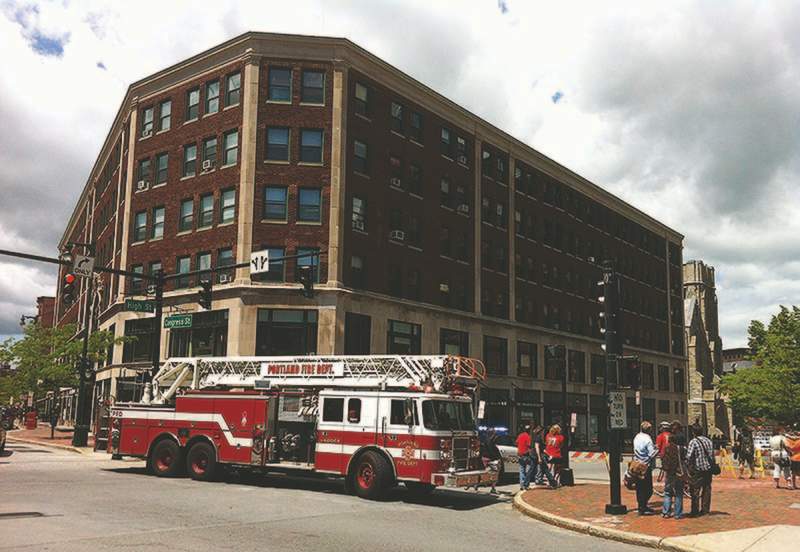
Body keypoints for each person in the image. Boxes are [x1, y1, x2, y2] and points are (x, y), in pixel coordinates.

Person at [686, 423, 715, 517]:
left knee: (695, 490)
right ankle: (705, 510)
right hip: (708, 469)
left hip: (697, 469)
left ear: (693, 432)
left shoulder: (693, 442)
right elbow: (712, 455)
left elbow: (688, 456)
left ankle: (695, 511)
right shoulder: (709, 441)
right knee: (707, 490)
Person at [633, 421, 659, 515]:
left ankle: (641, 506)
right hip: (645, 465)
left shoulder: (637, 437)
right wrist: (658, 449)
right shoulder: (648, 439)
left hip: (637, 464)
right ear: (648, 430)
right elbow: (651, 454)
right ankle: (643, 506)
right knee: (648, 489)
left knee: (639, 487)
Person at [661, 433, 687, 519]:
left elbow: (663, 459)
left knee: (668, 492)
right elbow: (685, 459)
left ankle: (666, 512)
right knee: (679, 493)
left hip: (669, 473)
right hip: (678, 472)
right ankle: (677, 514)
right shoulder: (681, 449)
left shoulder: (666, 448)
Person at [532, 424, 558, 488]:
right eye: (542, 430)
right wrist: (539, 457)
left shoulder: (537, 436)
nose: (543, 432)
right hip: (538, 455)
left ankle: (540, 479)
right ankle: (551, 482)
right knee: (544, 468)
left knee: (541, 468)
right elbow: (537, 447)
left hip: (539, 455)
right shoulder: (538, 437)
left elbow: (541, 448)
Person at [479, 429, 502, 494]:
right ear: (492, 434)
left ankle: (478, 484)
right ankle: (493, 488)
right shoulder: (491, 442)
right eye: (495, 434)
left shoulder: (484, 440)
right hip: (491, 459)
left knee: (487, 472)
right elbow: (492, 451)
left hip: (485, 458)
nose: (496, 436)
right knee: (495, 473)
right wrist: (497, 458)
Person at [515, 424, 534, 491]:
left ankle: (522, 484)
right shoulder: (528, 437)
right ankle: (526, 484)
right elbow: (529, 446)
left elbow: (516, 443)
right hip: (526, 455)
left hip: (520, 455)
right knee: (530, 469)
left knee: (521, 470)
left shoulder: (520, 435)